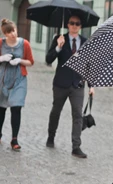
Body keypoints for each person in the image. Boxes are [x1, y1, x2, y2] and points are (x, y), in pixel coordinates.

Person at [45, 15, 94, 158]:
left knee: (78, 115)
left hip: (77, 84)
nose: (74, 26)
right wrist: (58, 47)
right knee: (56, 111)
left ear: (80, 26)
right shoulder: (59, 39)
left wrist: (91, 85)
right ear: (67, 24)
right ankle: (51, 137)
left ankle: (76, 147)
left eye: (77, 23)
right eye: (72, 23)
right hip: (61, 83)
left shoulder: (85, 42)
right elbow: (49, 59)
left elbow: (88, 65)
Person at [0, 18, 34, 150]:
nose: (13, 34)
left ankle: (14, 139)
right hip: (2, 79)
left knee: (16, 107)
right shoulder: (1, 44)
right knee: (1, 108)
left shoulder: (24, 44)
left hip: (19, 80)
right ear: (5, 34)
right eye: (9, 32)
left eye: (13, 30)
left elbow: (31, 62)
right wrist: (2, 58)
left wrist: (20, 60)